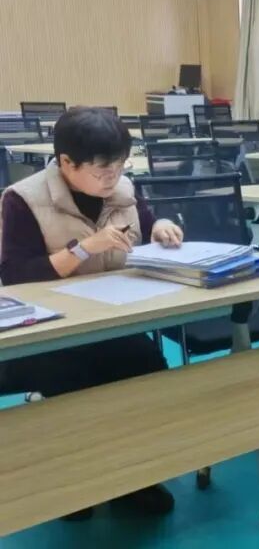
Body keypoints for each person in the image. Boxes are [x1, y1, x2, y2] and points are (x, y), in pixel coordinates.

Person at [0, 107, 185, 521]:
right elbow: (16, 275)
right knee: (74, 383)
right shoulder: (23, 199)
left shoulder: (123, 190)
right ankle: (75, 483)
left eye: (120, 165)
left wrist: (160, 226)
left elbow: (145, 223)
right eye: (102, 169)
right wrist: (84, 249)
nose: (112, 177)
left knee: (147, 367)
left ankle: (132, 479)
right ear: (67, 162)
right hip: (54, 332)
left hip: (110, 320)